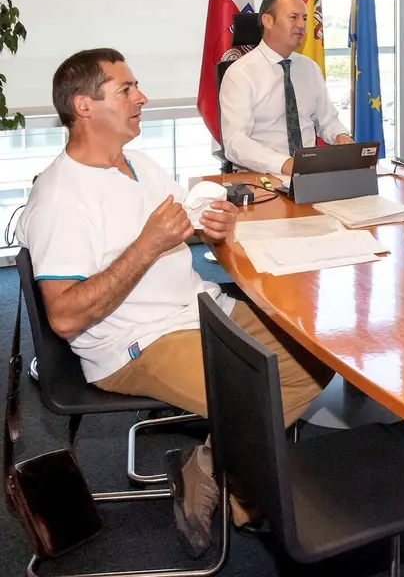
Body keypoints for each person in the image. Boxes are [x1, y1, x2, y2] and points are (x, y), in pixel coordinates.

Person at [17, 49, 333, 557]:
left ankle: (205, 467)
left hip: (197, 310)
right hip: (134, 342)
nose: (142, 97)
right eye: (126, 89)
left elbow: (178, 229)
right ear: (84, 106)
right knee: (259, 394)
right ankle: (244, 496)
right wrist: (148, 244)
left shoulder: (138, 164)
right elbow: (65, 314)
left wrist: (210, 228)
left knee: (316, 355)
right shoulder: (60, 199)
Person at [218, 0, 353, 176]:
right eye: (293, 17)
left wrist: (340, 136)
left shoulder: (310, 69)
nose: (301, 25)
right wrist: (285, 164)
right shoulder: (240, 74)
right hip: (262, 176)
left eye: (305, 18)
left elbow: (327, 120)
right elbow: (236, 142)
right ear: (268, 21)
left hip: (311, 174)